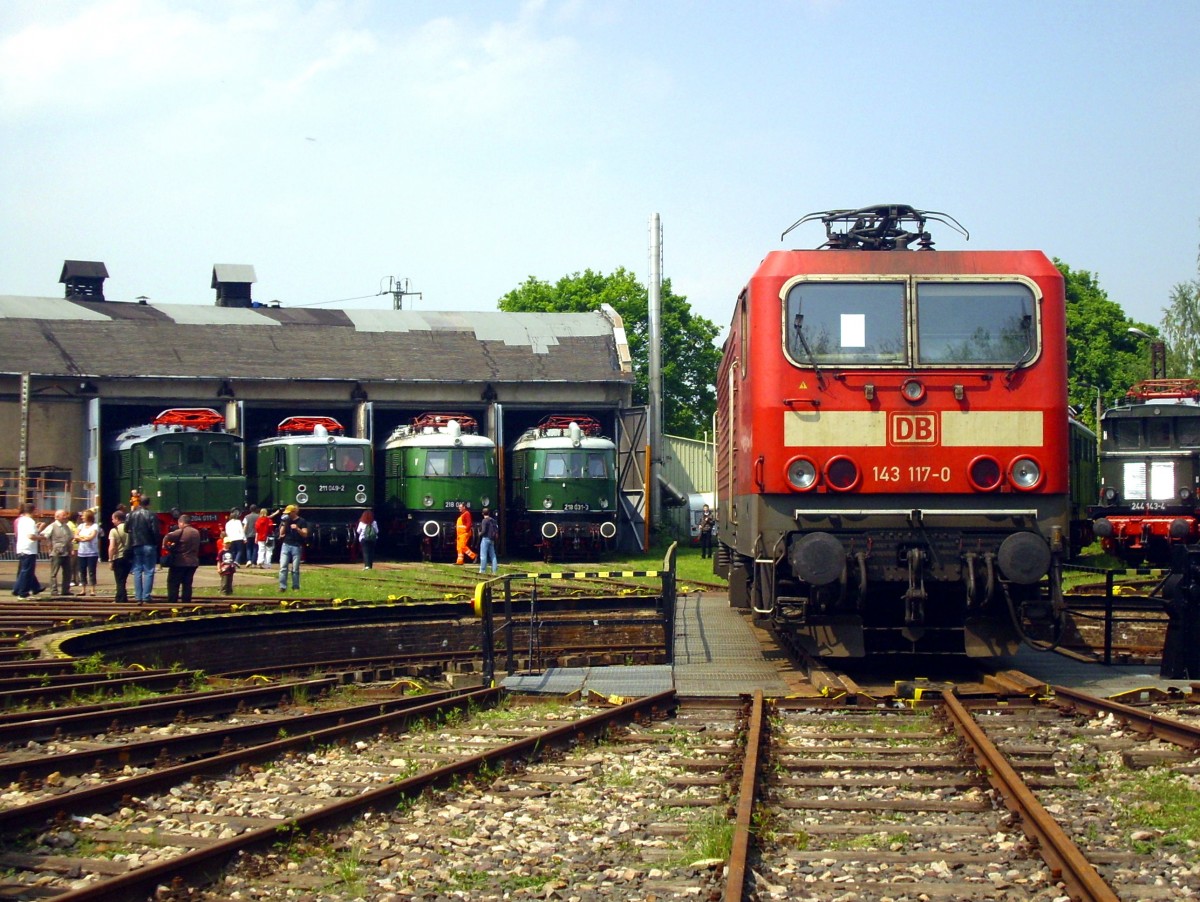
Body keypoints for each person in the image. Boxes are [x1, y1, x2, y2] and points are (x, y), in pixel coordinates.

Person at [127, 494, 160, 602]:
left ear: (139, 503)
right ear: (149, 504)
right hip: (149, 544)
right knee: (149, 570)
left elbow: (126, 528)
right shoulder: (151, 515)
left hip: (136, 544)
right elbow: (155, 531)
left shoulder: (132, 514)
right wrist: (156, 543)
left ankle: (138, 596)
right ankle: (146, 596)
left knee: (137, 570)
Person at [163, 513, 202, 605]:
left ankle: (172, 601)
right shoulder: (196, 532)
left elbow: (168, 536)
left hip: (180, 562)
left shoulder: (181, 531)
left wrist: (166, 547)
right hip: (193, 562)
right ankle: (186, 602)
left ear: (181, 523)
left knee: (173, 582)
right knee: (187, 584)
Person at [11, 503, 44, 599]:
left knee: (24, 571)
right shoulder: (30, 521)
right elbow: (31, 536)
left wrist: (36, 529)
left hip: (21, 548)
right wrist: (42, 537)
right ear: (33, 510)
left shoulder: (21, 520)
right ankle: (23, 593)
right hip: (29, 549)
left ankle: (17, 589)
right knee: (27, 572)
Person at [277, 504, 310, 592]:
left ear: (294, 512)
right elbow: (281, 533)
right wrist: (284, 523)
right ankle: (282, 587)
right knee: (283, 567)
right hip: (286, 545)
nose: (287, 514)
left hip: (296, 546)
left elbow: (305, 534)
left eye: (289, 513)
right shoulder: (286, 521)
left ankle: (295, 587)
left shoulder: (302, 521)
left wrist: (297, 528)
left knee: (295, 568)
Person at [41, 509, 74, 595]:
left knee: (68, 572)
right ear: (57, 517)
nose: (65, 517)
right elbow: (44, 535)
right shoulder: (52, 526)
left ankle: (65, 590)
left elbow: (70, 538)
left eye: (65, 515)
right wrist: (49, 546)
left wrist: (71, 549)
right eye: (63, 515)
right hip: (56, 553)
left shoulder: (66, 526)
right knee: (54, 573)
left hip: (66, 552)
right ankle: (54, 590)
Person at [73, 509, 101, 596]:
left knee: (92, 571)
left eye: (83, 516)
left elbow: (91, 537)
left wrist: (81, 538)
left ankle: (92, 590)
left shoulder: (94, 526)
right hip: (81, 552)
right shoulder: (81, 526)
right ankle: (83, 589)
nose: (82, 517)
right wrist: (83, 538)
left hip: (92, 552)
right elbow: (75, 535)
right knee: (82, 570)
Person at [108, 510, 132, 603]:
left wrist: (110, 560)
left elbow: (112, 547)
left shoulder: (114, 531)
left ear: (117, 519)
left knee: (119, 580)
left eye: (113, 519)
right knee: (123, 579)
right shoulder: (129, 529)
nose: (112, 521)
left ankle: (120, 599)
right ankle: (123, 597)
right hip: (128, 557)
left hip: (118, 557)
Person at [478, 507, 499, 575]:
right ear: (489, 513)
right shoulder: (493, 520)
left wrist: (480, 533)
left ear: (482, 513)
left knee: (483, 555)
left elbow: (484, 530)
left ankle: (482, 570)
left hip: (485, 539)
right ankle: (494, 571)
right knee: (493, 555)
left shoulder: (484, 520)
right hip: (492, 539)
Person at [455, 501, 477, 565]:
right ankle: (460, 561)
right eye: (459, 507)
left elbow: (469, 523)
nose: (459, 508)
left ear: (464, 507)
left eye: (460, 507)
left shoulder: (466, 514)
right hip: (460, 534)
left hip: (464, 533)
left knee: (462, 546)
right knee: (459, 548)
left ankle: (474, 556)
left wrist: (466, 531)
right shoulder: (462, 515)